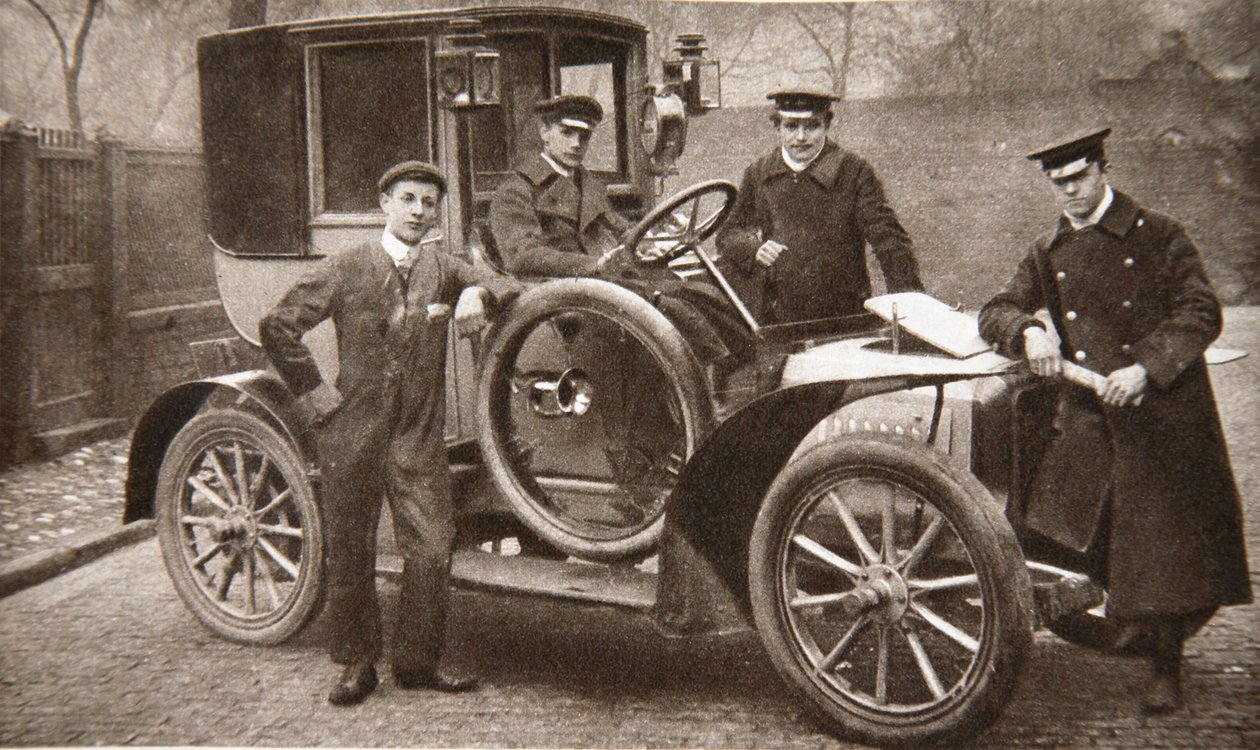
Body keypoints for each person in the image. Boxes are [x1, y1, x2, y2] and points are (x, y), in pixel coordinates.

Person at [978, 128, 1251, 714]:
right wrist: (1026, 330)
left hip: (1163, 410)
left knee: (1164, 545)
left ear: (1103, 169)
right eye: (1059, 183)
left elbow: (1202, 310)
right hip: (1091, 411)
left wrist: (1146, 368)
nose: (1071, 192)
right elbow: (995, 308)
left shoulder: (1158, 234)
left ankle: (1165, 666)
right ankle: (1125, 625)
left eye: (1079, 177)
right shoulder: (1048, 248)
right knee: (1066, 521)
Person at [259, 161, 521, 706]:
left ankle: (417, 663)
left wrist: (478, 296)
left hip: (416, 437)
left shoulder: (444, 268)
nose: (419, 212)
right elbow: (277, 325)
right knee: (351, 549)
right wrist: (314, 393)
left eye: (429, 203)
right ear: (384, 203)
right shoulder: (348, 266)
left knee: (430, 548)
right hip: (351, 432)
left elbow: (504, 281)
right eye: (408, 200)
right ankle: (358, 664)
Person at [488, 94, 753, 381]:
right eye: (567, 133)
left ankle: (741, 375)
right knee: (671, 308)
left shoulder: (587, 184)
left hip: (605, 282)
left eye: (584, 136)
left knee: (700, 292)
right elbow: (522, 256)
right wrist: (594, 264)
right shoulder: (516, 191)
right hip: (564, 292)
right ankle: (705, 391)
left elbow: (620, 228)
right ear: (545, 133)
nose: (576, 144)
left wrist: (655, 238)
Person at [714, 90, 925, 323]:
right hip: (778, 319)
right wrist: (754, 249)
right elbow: (728, 234)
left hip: (845, 318)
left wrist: (911, 311)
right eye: (791, 126)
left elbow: (890, 242)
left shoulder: (854, 172)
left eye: (812, 126)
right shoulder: (760, 172)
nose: (801, 137)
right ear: (778, 127)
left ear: (827, 125)